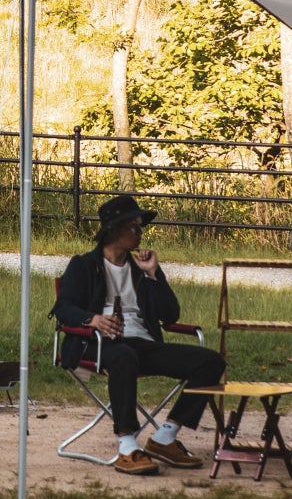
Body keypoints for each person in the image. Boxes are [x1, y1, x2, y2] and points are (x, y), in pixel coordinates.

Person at [52, 194, 227, 475]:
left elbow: (170, 315)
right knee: (123, 355)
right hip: (98, 344)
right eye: (133, 226)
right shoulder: (84, 265)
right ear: (114, 230)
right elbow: (63, 308)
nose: (140, 232)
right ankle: (127, 445)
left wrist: (154, 275)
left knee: (211, 361)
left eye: (140, 226)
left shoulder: (141, 268)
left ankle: (164, 438)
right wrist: (93, 319)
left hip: (142, 344)